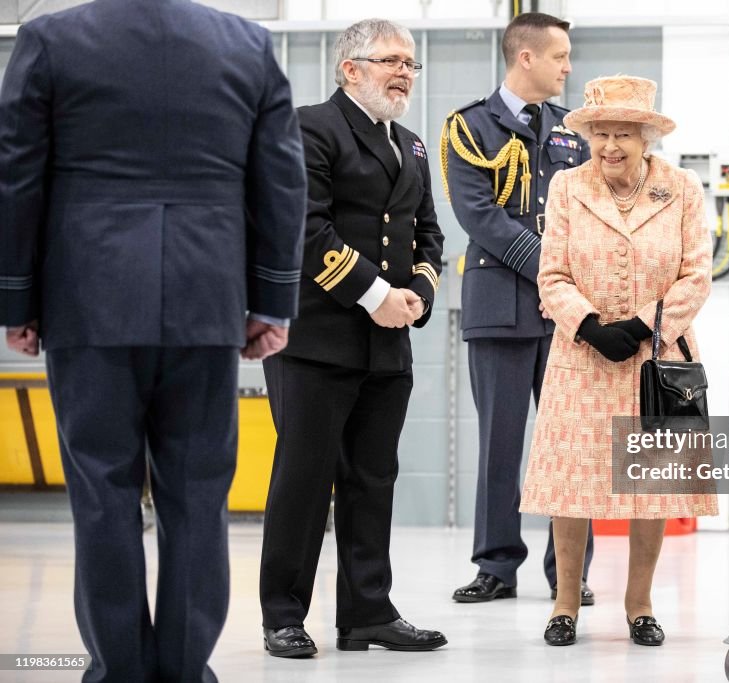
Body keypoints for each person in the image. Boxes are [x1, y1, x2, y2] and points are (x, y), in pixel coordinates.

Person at [0, 0, 306, 679]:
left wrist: (16, 298)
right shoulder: (247, 44)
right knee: (199, 494)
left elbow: (16, 174)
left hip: (90, 295)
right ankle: (184, 667)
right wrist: (272, 301)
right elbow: (282, 181)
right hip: (208, 295)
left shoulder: (49, 39)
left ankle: (118, 669)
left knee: (102, 492)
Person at [258, 18, 446, 657]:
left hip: (388, 345)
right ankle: (283, 613)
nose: (404, 73)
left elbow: (430, 233)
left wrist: (417, 292)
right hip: (317, 339)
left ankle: (367, 611)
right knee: (304, 478)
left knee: (373, 479)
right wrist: (375, 295)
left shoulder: (413, 146)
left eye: (411, 63)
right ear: (350, 68)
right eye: (390, 60)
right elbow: (303, 227)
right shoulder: (310, 127)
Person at [519, 76, 718, 646]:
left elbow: (696, 274)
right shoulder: (565, 187)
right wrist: (586, 323)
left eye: (623, 135)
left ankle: (640, 603)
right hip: (582, 356)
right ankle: (564, 606)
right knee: (573, 482)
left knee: (651, 484)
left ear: (646, 137)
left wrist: (643, 324)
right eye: (601, 133)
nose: (610, 146)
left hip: (656, 358)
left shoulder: (680, 188)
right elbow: (551, 272)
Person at [442, 11, 596, 607]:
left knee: (573, 444)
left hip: (568, 314)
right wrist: (551, 267)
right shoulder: (470, 127)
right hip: (501, 305)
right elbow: (480, 216)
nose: (568, 67)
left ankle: (570, 570)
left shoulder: (574, 131)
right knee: (500, 443)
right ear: (525, 57)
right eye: (560, 56)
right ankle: (496, 566)